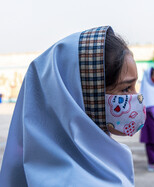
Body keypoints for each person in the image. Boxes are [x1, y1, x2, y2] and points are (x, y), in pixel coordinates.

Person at [0, 26, 146, 186]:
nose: (136, 97)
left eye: (134, 86)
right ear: (86, 96)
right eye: (126, 88)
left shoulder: (38, 166)